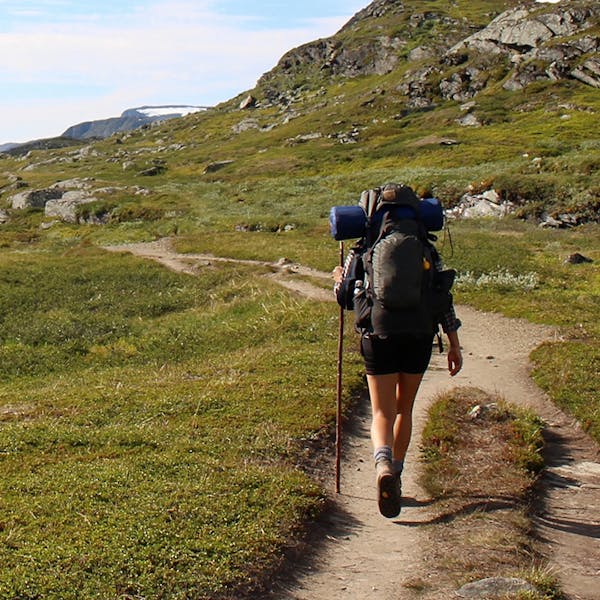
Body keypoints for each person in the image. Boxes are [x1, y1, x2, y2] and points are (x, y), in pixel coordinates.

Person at [332, 211, 463, 519]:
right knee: (404, 408)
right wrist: (454, 344)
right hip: (419, 335)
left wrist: (339, 278)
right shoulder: (425, 248)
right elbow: (442, 297)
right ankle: (398, 474)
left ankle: (382, 466)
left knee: (381, 411)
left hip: (378, 334)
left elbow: (345, 298)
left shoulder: (364, 249)